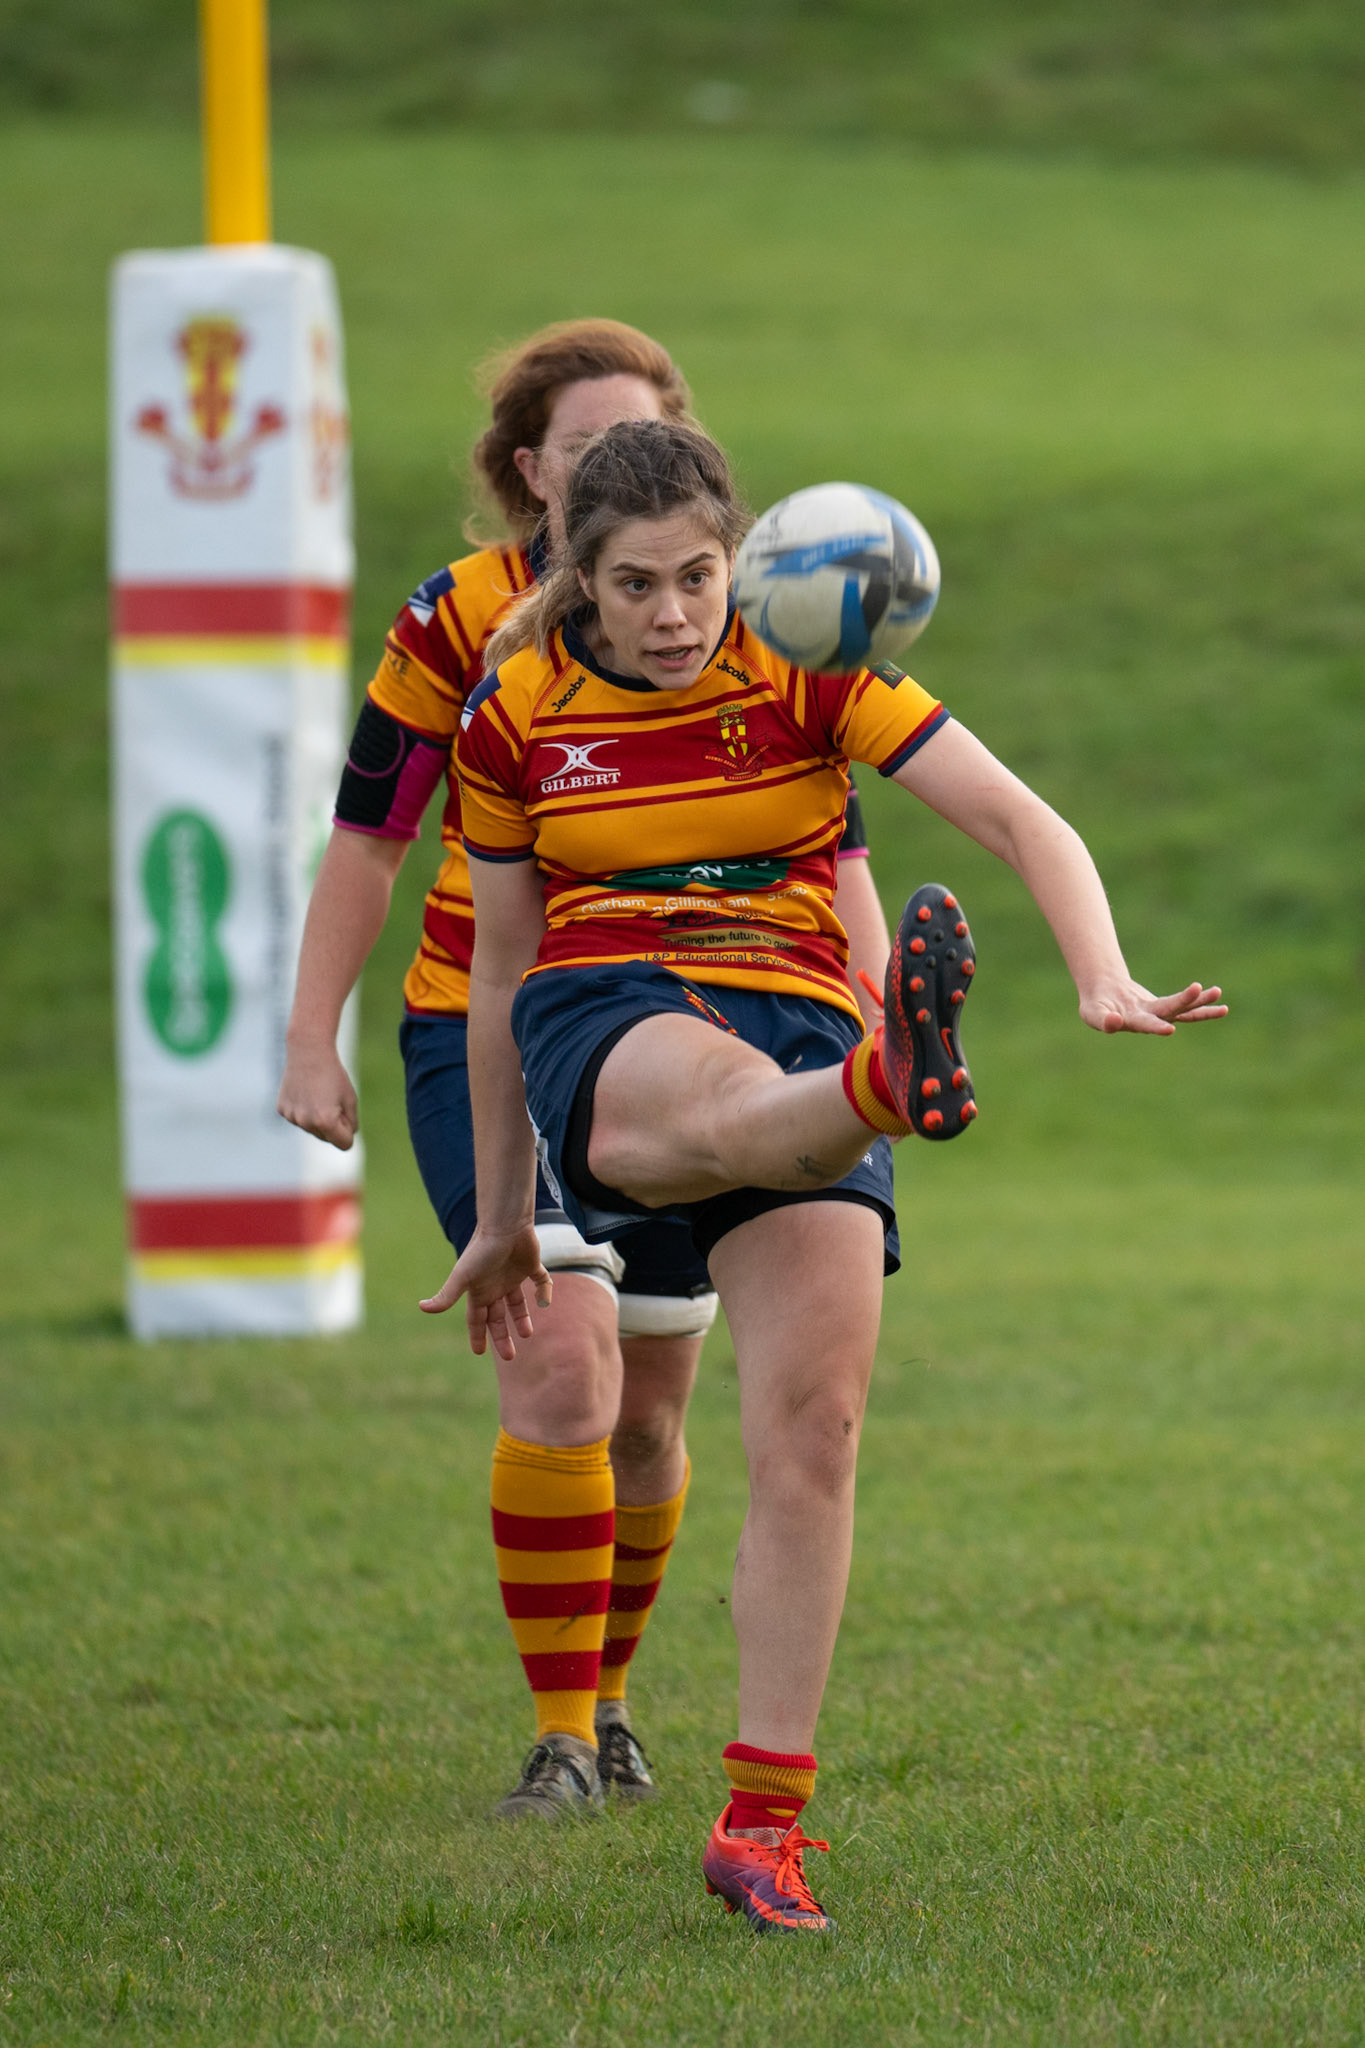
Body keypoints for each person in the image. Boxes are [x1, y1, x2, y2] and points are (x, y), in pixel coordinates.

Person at [422, 417, 1227, 1932]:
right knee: (729, 1105)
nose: (675, 615)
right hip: (609, 1011)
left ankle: (760, 1826)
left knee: (817, 1432)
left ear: (739, 561)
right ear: (579, 581)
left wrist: (1103, 975)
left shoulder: (809, 661)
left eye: (698, 577)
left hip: (795, 1004)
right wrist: (505, 1212)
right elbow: (497, 975)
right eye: (637, 585)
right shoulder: (515, 711)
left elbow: (1019, 818)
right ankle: (877, 1086)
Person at [277, 320, 892, 1820]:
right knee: (560, 1362)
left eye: (643, 430)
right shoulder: (458, 625)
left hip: (711, 1023)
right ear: (529, 473)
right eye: (582, 447)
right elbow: (370, 837)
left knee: (651, 1409)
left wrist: (875, 1020)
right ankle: (559, 1737)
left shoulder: (745, 618)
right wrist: (308, 1033)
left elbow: (833, 846)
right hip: (493, 1027)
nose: (615, 464)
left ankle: (608, 1706)